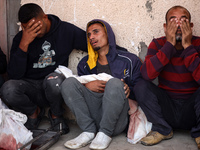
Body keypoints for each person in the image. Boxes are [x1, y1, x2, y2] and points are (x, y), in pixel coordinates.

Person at [0, 3, 87, 134]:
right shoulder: (21, 38)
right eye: (26, 28)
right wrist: (24, 44)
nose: (32, 31)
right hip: (30, 87)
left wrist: (120, 55)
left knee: (54, 81)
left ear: (45, 18)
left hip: (53, 84)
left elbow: (93, 44)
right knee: (7, 89)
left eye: (35, 26)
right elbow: (14, 75)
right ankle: (34, 112)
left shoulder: (64, 30)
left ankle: (56, 115)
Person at [60, 19, 142, 150]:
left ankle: (105, 133)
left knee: (115, 83)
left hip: (116, 121)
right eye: (88, 35)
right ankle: (88, 131)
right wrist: (87, 86)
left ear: (108, 34)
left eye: (96, 32)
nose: (91, 37)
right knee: (68, 83)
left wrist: (127, 89)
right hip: (93, 116)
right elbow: (78, 93)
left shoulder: (129, 60)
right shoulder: (85, 64)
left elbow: (142, 89)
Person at [133, 5, 200, 149]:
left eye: (183, 20)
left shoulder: (198, 43)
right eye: (173, 21)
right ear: (165, 26)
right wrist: (169, 45)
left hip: (193, 109)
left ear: (191, 25)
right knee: (141, 85)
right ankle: (162, 129)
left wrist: (188, 46)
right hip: (167, 108)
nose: (178, 25)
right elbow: (147, 74)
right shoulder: (158, 43)